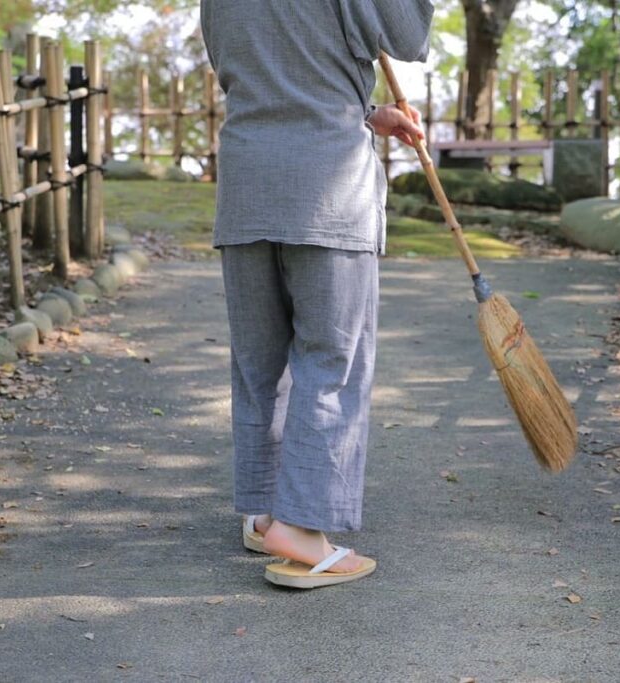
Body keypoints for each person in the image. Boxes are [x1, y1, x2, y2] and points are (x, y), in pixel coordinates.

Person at [200, 0, 434, 589]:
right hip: (327, 191)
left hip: (248, 183)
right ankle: (302, 529)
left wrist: (365, 110)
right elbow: (408, 36)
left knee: (259, 363)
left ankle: (264, 514)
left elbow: (266, 66)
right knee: (331, 362)